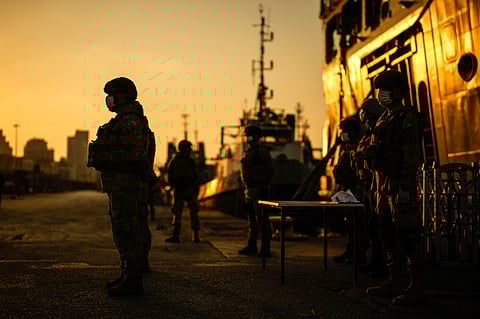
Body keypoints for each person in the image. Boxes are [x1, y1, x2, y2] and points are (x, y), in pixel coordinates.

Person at [87, 76, 154, 297]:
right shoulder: (124, 119)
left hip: (125, 185)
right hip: (120, 186)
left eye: (113, 95)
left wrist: (105, 158)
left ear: (123, 95)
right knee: (122, 229)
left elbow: (134, 156)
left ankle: (133, 280)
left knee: (127, 230)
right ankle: (127, 273)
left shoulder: (129, 121)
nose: (109, 100)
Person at [364, 69, 424, 306]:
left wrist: (406, 187)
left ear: (398, 92)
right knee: (387, 231)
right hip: (383, 182)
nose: (381, 95)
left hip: (399, 182)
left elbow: (411, 154)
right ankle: (394, 280)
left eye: (385, 90)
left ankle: (416, 287)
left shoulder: (407, 117)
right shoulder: (384, 117)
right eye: (379, 90)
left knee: (407, 233)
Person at [349, 98, 388, 277]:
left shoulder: (381, 133)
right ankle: (376, 261)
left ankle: (385, 265)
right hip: (370, 185)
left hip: (382, 185)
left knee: (382, 227)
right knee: (372, 226)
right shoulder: (369, 134)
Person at [332, 116, 368, 265]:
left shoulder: (358, 148)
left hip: (355, 189)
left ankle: (359, 255)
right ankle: (350, 251)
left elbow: (357, 171)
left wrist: (344, 177)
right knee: (349, 223)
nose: (343, 134)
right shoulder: (347, 149)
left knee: (359, 225)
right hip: (346, 190)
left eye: (346, 131)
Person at [238, 125, 274, 257]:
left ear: (257, 136)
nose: (247, 137)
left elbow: (270, 170)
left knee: (262, 219)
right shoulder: (249, 152)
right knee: (251, 220)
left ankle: (266, 248)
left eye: (250, 134)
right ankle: (252, 245)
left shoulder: (261, 151)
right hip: (250, 189)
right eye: (247, 134)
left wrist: (265, 187)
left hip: (259, 188)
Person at [165, 140, 201, 243]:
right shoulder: (190, 161)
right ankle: (195, 235)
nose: (190, 150)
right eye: (189, 148)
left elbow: (170, 175)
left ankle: (177, 235)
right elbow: (196, 176)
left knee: (178, 213)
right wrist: (195, 189)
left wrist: (173, 185)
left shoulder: (175, 160)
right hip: (188, 189)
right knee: (192, 212)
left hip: (180, 189)